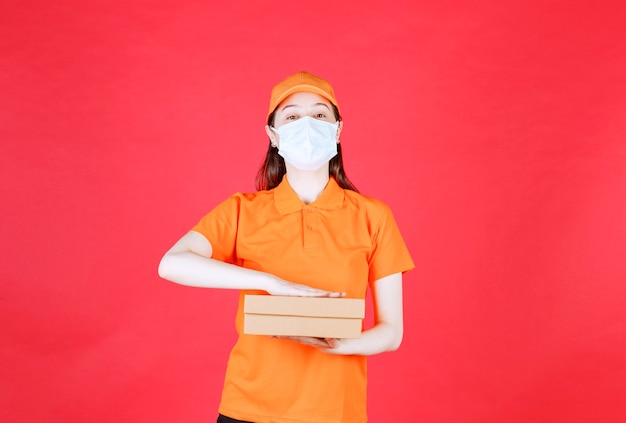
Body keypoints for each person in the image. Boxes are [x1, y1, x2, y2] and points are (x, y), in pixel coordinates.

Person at [158, 71, 415, 423]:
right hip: (248, 409)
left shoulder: (373, 217)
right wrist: (270, 283)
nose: (307, 124)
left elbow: (391, 331)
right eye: (292, 116)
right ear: (273, 134)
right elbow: (172, 263)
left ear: (338, 130)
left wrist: (340, 345)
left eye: (320, 114)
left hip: (336, 411)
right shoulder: (243, 211)